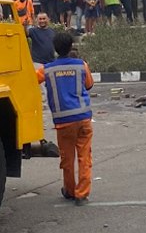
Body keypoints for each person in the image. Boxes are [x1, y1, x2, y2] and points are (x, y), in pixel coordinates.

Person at [35, 33, 94, 206]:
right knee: (85, 157)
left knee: (67, 159)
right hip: (83, 118)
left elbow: (30, 80)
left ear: (55, 48)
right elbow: (89, 85)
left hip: (63, 122)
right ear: (71, 47)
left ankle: (69, 190)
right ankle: (82, 194)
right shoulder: (81, 65)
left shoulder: (47, 69)